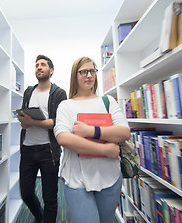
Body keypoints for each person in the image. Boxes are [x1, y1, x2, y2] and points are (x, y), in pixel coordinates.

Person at [53, 56, 130, 223]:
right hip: (77, 180)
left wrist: (90, 130)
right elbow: (63, 138)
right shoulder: (65, 105)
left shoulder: (107, 101)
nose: (89, 75)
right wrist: (104, 149)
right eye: (83, 72)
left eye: (92, 71)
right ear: (75, 75)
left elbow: (124, 132)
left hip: (110, 177)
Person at [17, 55, 67, 223]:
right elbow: (25, 115)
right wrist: (24, 121)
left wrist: (33, 122)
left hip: (49, 151)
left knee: (50, 198)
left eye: (43, 65)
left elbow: (57, 121)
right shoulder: (28, 91)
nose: (39, 67)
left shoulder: (59, 93)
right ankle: (40, 216)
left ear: (50, 70)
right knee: (26, 193)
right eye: (37, 65)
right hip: (28, 149)